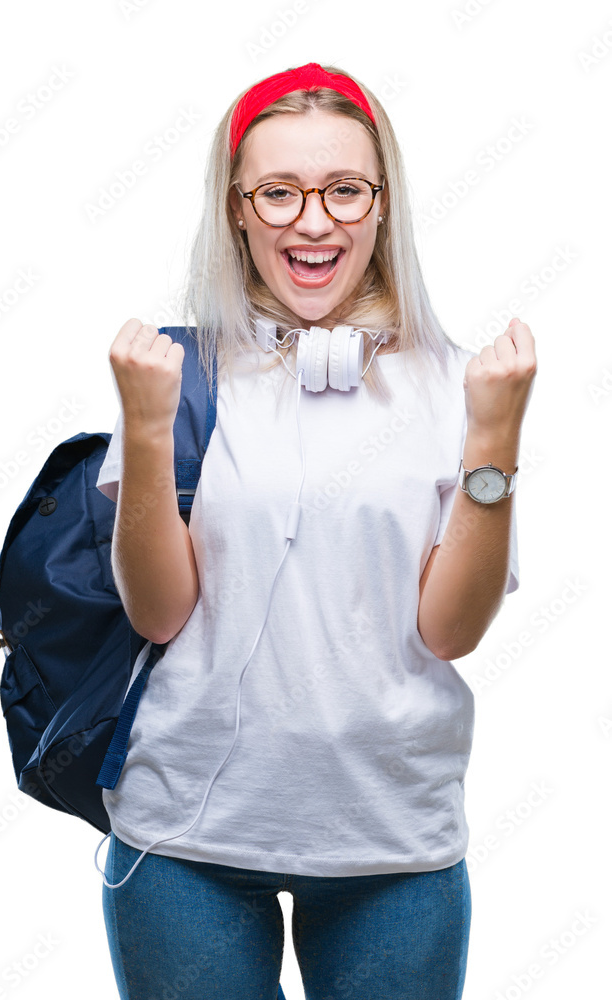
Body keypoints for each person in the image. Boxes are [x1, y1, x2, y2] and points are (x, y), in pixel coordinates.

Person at [93, 62, 537, 1000]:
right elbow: (160, 613)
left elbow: (450, 632)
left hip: (393, 844)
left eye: (344, 190)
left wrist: (495, 433)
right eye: (280, 192)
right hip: (185, 845)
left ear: (382, 208)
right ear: (238, 210)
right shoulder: (179, 375)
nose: (313, 219)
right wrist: (141, 425)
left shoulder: (452, 385)